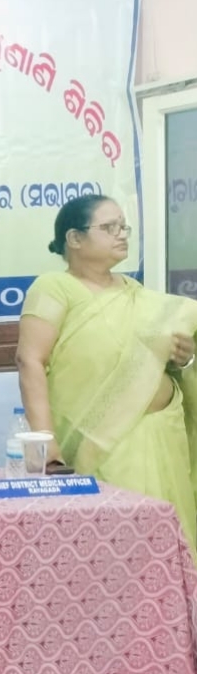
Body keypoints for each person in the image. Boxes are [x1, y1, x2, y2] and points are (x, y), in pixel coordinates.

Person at [16, 194, 197, 552]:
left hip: (163, 437)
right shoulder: (54, 288)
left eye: (124, 227)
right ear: (74, 238)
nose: (122, 234)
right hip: (101, 446)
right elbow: (30, 360)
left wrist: (185, 358)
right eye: (109, 227)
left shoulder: (137, 294)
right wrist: (44, 441)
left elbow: (166, 364)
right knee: (120, 546)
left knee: (173, 540)